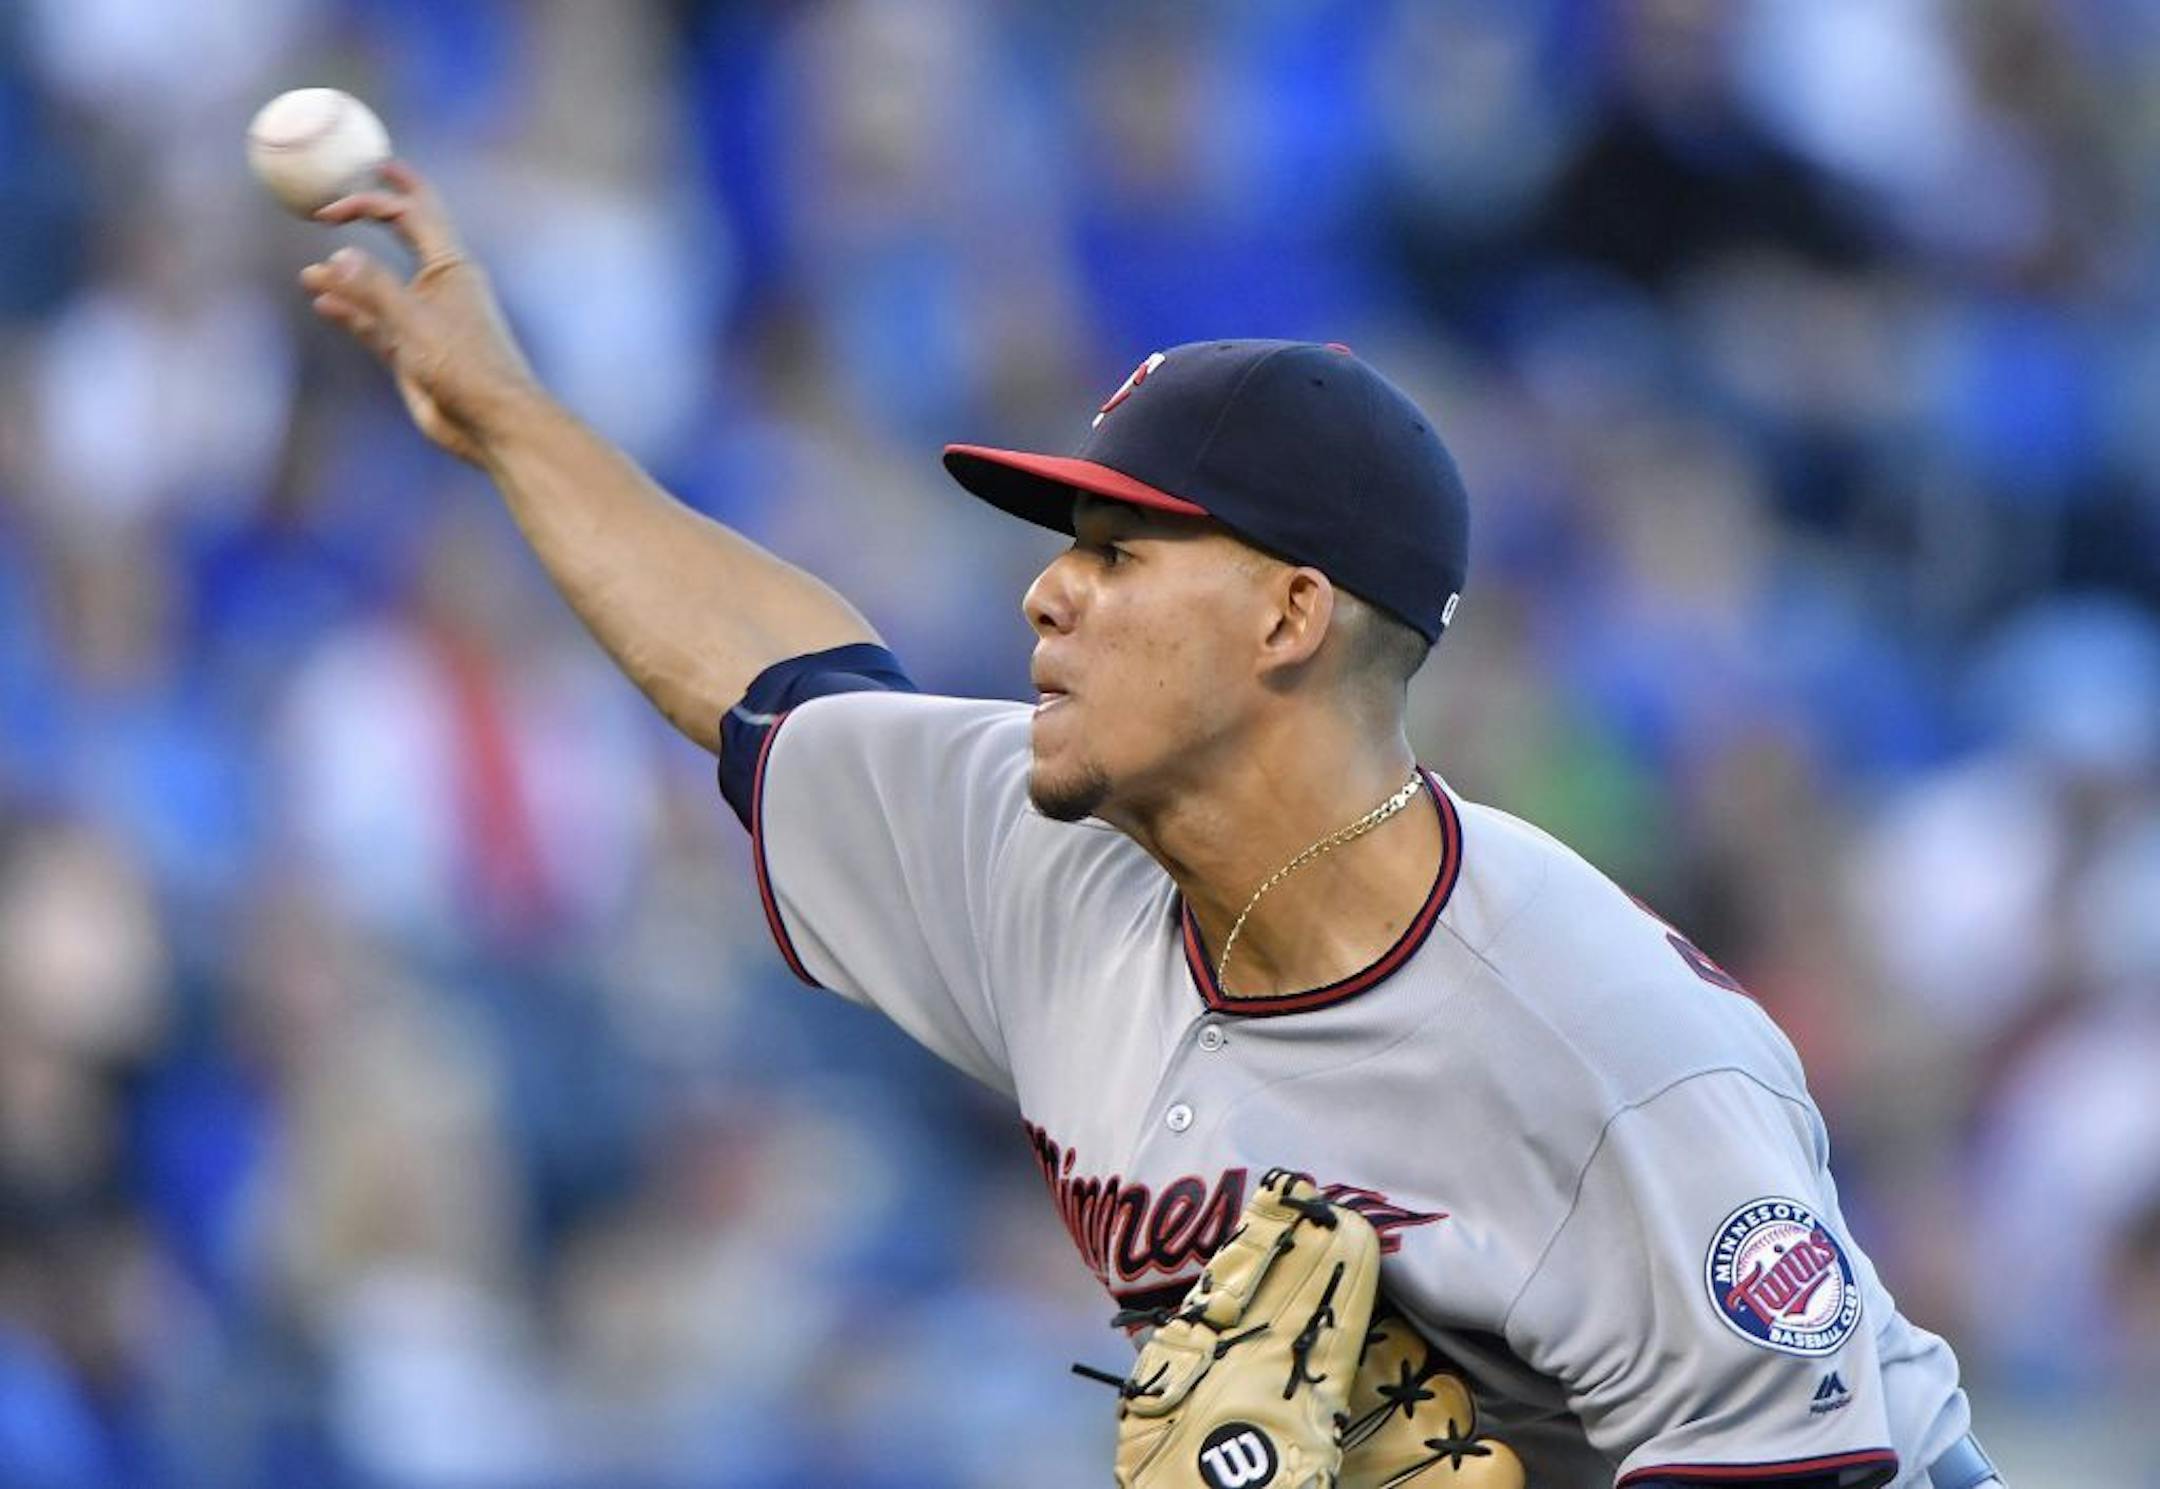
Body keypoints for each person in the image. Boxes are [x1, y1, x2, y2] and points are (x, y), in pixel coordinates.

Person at [300, 164, 2003, 1488]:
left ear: (1286, 619)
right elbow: (773, 684)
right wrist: (514, 425)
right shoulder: (1048, 849)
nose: (1046, 590)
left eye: (1118, 555)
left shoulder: (1608, 1053)